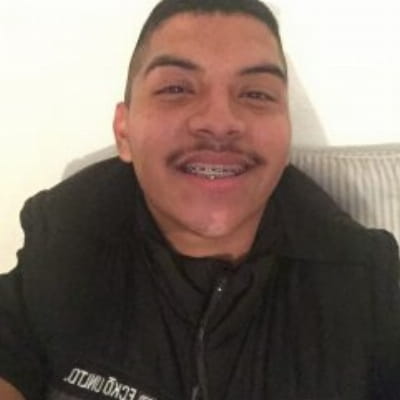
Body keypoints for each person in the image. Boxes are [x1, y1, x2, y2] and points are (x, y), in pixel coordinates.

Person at [1, 0, 399, 399]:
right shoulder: (66, 232)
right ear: (124, 132)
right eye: (176, 89)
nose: (220, 122)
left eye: (257, 94)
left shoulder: (365, 286)